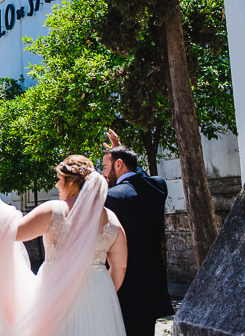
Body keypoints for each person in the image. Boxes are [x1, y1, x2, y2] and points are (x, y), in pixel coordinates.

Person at [0, 155, 128, 336]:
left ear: (71, 183)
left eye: (59, 180)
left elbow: (10, 231)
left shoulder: (55, 211)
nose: (56, 185)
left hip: (57, 294)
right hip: (99, 293)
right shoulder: (112, 220)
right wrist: (103, 293)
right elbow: (120, 267)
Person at [101, 132, 174, 336]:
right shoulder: (158, 186)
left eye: (106, 168)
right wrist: (120, 150)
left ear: (118, 165)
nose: (104, 174)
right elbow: (138, 176)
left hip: (127, 287)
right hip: (153, 285)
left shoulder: (111, 197)